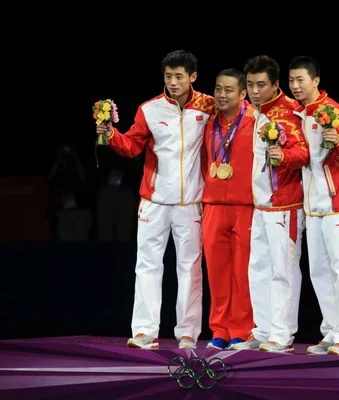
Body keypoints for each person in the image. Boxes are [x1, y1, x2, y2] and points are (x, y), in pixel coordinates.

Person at [95, 50, 215, 350]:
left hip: (192, 203)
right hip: (155, 201)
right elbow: (133, 146)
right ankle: (144, 332)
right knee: (147, 265)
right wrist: (111, 134)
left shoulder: (209, 107)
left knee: (190, 267)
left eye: (179, 77)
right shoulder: (149, 109)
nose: (173, 82)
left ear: (193, 77)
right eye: (168, 76)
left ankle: (188, 332)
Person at [288, 55, 339, 355]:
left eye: (301, 80)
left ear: (315, 81)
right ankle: (332, 332)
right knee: (319, 272)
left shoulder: (334, 112)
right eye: (292, 80)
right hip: (313, 209)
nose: (295, 86)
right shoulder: (298, 115)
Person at [230, 56, 308, 353]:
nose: (254, 91)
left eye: (261, 85)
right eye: (249, 85)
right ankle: (262, 331)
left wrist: (283, 158)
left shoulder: (289, 112)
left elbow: (302, 153)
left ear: (276, 84)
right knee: (258, 269)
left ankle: (282, 335)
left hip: (285, 206)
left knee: (283, 271)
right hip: (259, 206)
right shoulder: (254, 111)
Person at [201, 69, 256, 350]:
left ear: (243, 93)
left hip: (245, 207)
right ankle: (219, 330)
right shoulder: (209, 123)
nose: (221, 95)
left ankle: (243, 330)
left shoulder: (256, 122)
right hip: (213, 207)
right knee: (217, 274)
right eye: (218, 89)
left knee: (243, 274)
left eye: (229, 90)